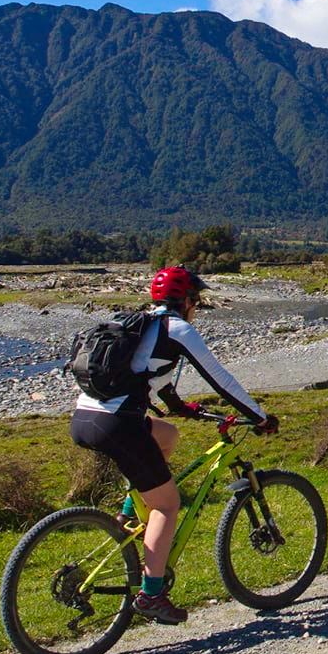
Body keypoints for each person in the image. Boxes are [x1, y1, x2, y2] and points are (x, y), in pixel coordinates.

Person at [69, 265, 280, 624]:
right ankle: (152, 595)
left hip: (85, 418)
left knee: (167, 435)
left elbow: (153, 377)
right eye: (195, 302)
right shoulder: (178, 328)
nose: (195, 308)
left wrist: (184, 409)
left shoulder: (140, 323)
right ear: (187, 301)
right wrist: (259, 416)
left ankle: (128, 514)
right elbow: (219, 378)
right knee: (168, 504)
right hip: (120, 423)